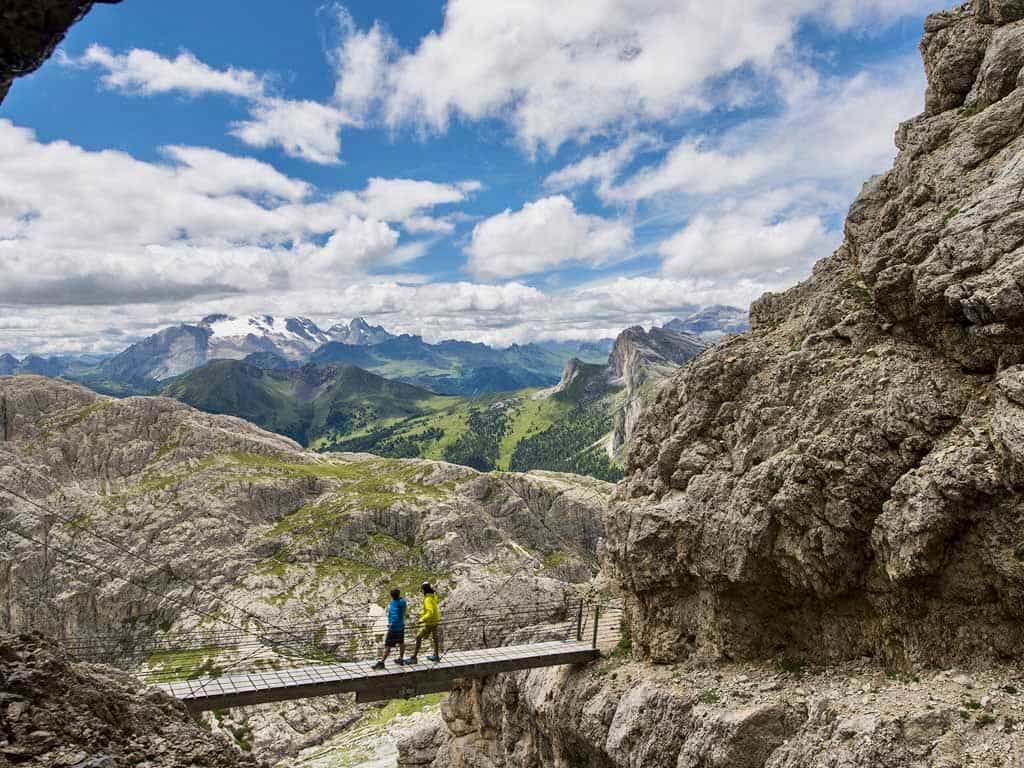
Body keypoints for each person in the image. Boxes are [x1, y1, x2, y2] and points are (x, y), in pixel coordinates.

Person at [405, 582, 441, 664]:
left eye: (422, 590)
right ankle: (436, 656)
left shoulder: (427, 599)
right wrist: (421, 614)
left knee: (418, 637)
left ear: (424, 590)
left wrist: (421, 619)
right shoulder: (433, 596)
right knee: (435, 638)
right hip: (435, 620)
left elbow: (430, 612)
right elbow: (431, 610)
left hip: (430, 622)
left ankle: (414, 658)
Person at [372, 588, 407, 670]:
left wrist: (391, 625)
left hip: (394, 628)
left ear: (392, 596)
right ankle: (401, 659)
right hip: (401, 626)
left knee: (388, 645)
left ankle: (382, 663)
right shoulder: (403, 601)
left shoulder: (394, 603)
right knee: (401, 642)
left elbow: (394, 615)